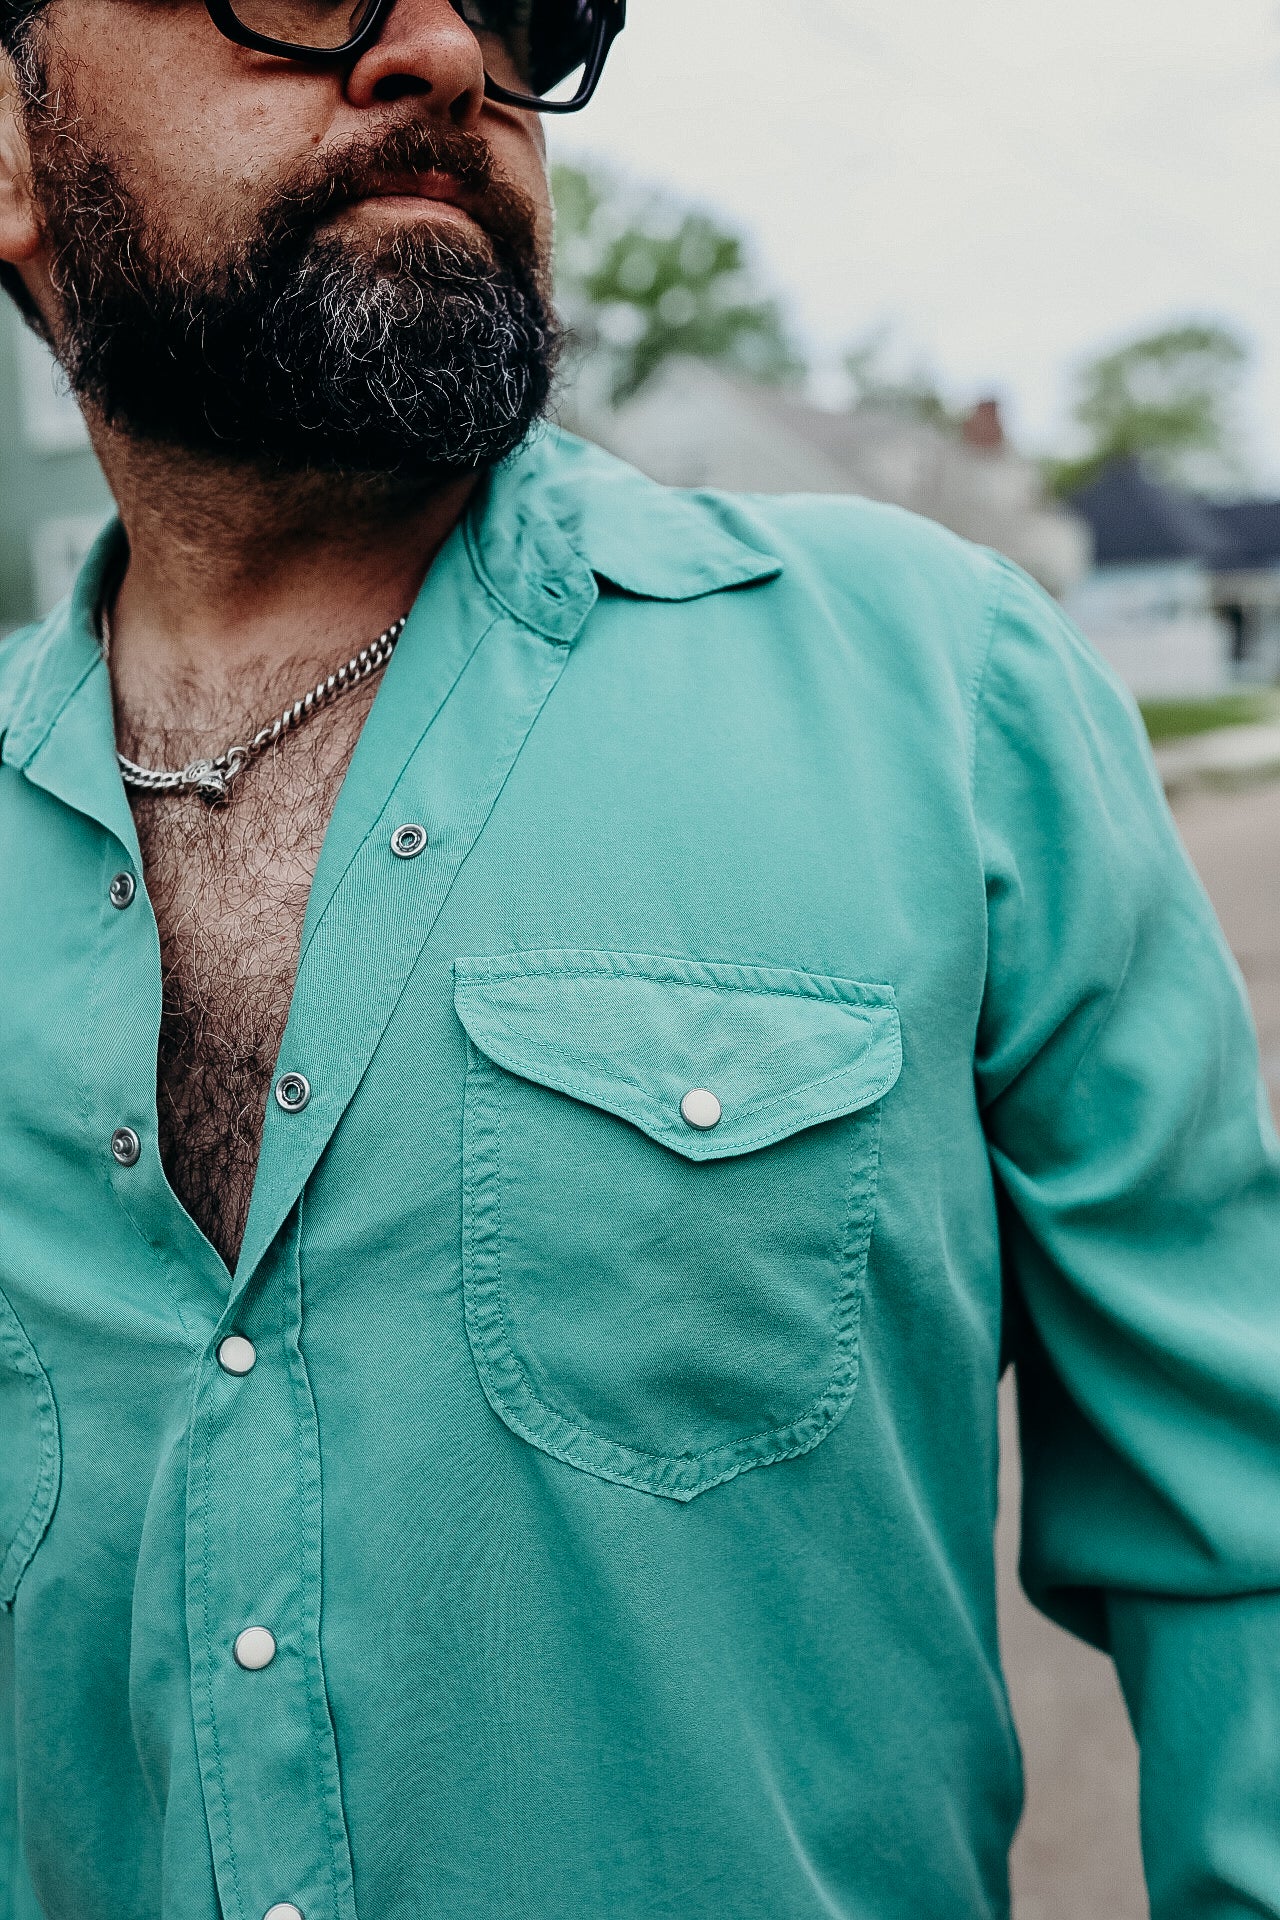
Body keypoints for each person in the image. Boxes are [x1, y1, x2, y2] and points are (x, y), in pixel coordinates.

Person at [0, 0, 1278, 1914]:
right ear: (13, 151)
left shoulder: (944, 691)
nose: (443, 48)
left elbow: (1244, 1547)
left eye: (528, 4)